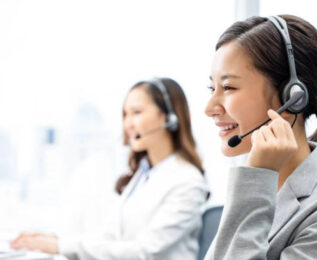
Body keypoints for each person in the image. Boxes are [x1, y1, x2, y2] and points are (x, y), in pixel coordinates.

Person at [204, 15, 317, 259]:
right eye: (212, 89)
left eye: (228, 87)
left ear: (292, 96)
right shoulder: (261, 187)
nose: (209, 108)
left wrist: (256, 178)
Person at [11, 77, 208, 260]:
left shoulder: (188, 182)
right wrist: (54, 239)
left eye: (136, 112)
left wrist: (61, 246)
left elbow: (144, 251)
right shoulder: (143, 175)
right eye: (125, 115)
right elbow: (109, 237)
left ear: (169, 117)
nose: (128, 124)